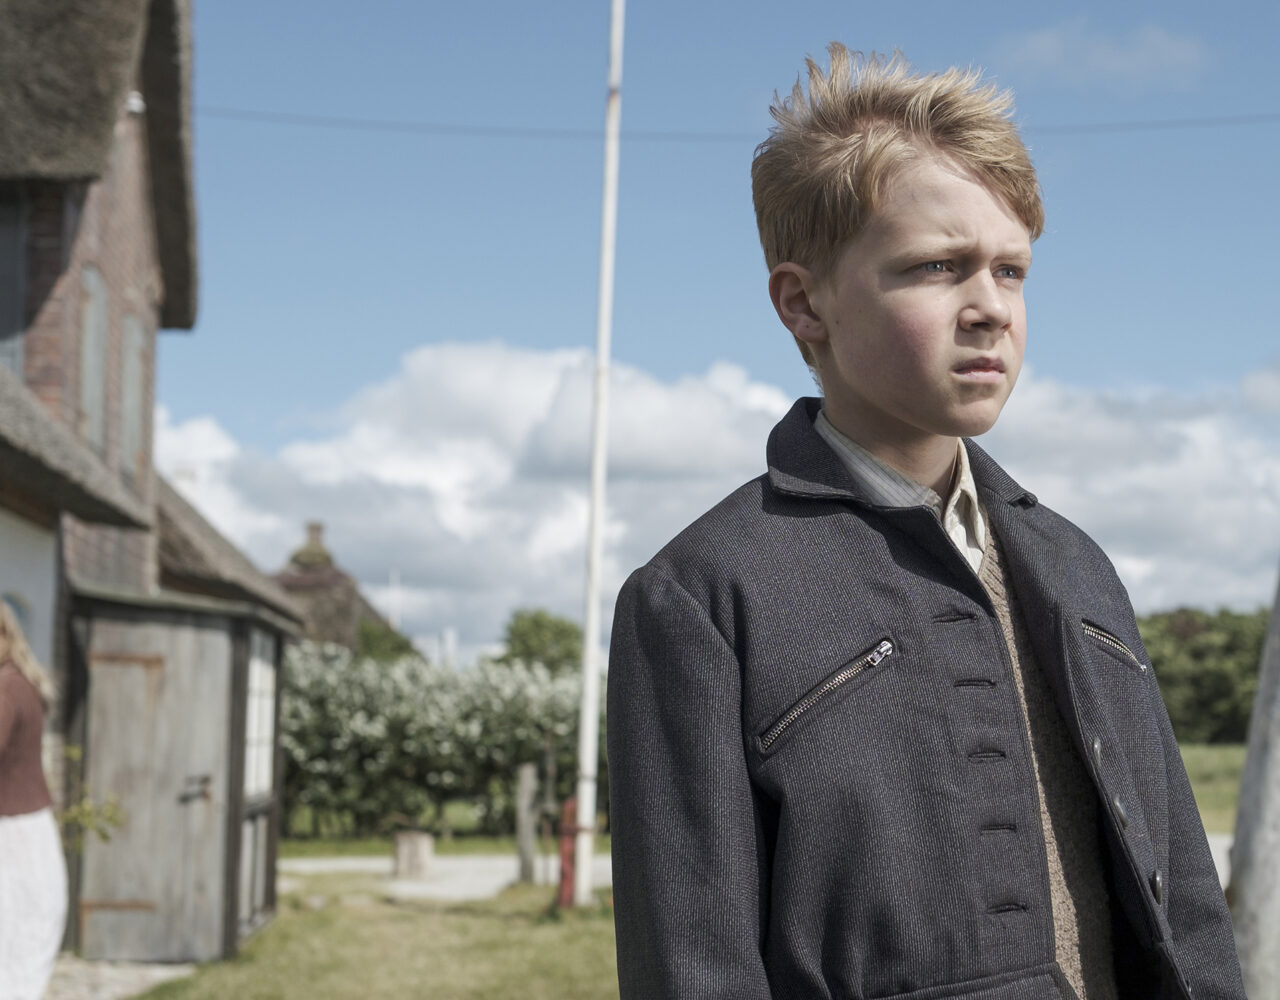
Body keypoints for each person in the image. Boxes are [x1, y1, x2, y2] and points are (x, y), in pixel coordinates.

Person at [607, 43, 1244, 1000]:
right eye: (937, 267)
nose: (990, 308)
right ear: (803, 303)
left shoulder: (1077, 565)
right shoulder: (701, 597)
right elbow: (693, 971)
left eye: (1011, 270)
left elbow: (1187, 911)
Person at [0, 600, 68, 1000]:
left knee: (12, 958)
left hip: (12, 840)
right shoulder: (20, 681)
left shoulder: (6, 689)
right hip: (27, 833)